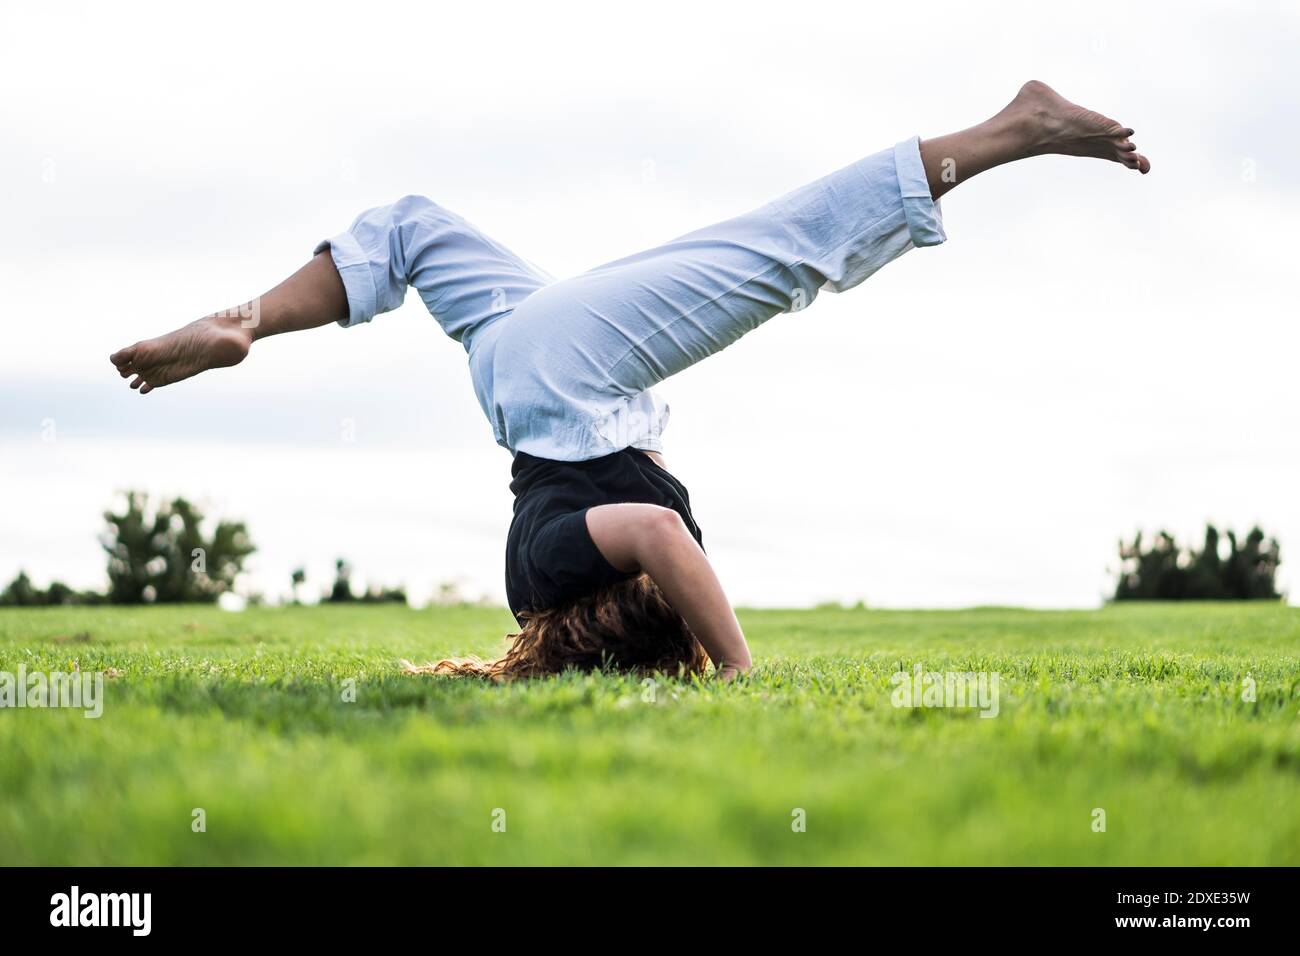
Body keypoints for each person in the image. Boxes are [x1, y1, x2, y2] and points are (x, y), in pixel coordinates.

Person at [110, 81, 1149, 681]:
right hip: (537, 370)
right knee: (413, 228)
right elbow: (647, 506)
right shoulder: (555, 566)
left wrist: (741, 671)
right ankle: (249, 317)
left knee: (780, 254)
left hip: (557, 375)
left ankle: (1015, 128)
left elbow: (661, 536)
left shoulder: (557, 567)